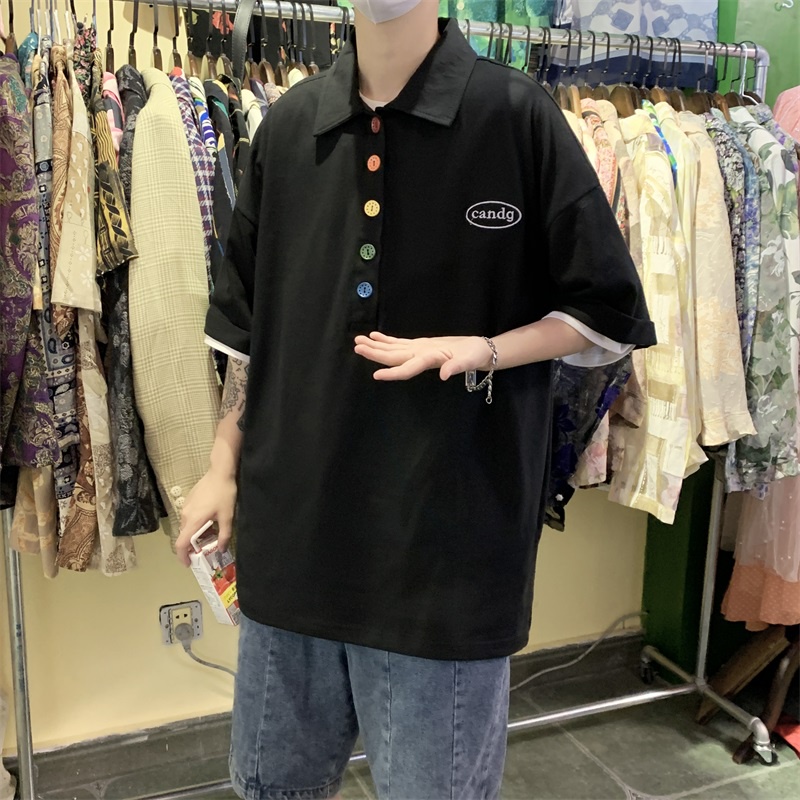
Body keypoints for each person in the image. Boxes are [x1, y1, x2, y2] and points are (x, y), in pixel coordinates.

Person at [177, 1, 656, 798]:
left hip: (448, 557)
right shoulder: (289, 127)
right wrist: (223, 465)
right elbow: (249, 331)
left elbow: (606, 310)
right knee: (270, 787)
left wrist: (486, 347)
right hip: (293, 545)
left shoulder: (517, 117)